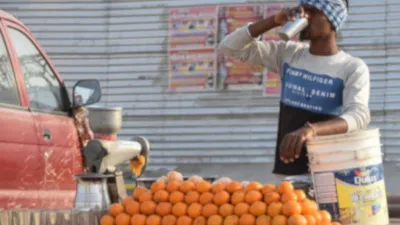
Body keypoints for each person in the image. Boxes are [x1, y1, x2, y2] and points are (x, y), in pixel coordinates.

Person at [217, 0, 371, 176]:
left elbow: (359, 116)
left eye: (313, 12)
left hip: (331, 173)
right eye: (303, 11)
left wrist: (311, 130)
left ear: (332, 20)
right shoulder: (289, 54)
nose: (305, 17)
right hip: (288, 172)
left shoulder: (351, 67)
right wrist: (274, 21)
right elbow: (228, 47)